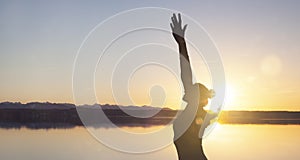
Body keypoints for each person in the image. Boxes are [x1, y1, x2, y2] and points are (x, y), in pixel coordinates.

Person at [171, 13, 217, 160]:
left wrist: (182, 45)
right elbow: (186, 76)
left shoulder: (196, 116)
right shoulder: (198, 115)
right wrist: (181, 44)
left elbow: (186, 74)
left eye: (191, 89)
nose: (187, 88)